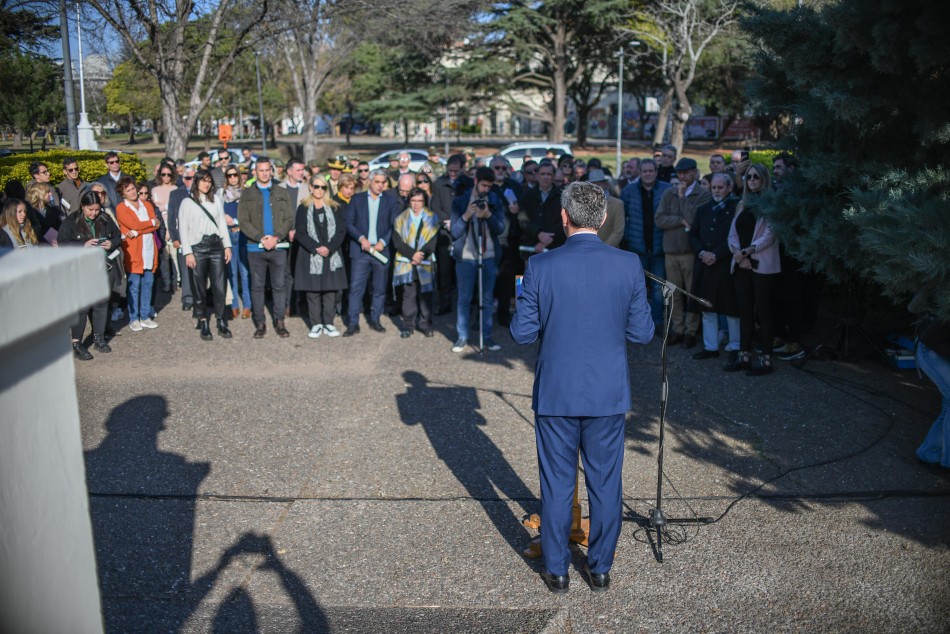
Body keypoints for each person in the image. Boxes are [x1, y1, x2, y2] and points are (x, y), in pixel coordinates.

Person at [510, 180, 654, 594]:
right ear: (603, 218)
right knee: (605, 483)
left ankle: (557, 570)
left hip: (557, 391)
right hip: (607, 391)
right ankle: (600, 568)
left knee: (557, 483)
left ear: (563, 217)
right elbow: (642, 333)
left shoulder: (541, 266)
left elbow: (522, 333)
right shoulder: (628, 264)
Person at [727, 163, 779, 375]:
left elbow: (770, 235)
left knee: (764, 312)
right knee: (745, 311)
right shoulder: (742, 204)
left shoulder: (771, 204)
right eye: (748, 177)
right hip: (742, 264)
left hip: (762, 265)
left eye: (756, 177)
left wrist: (746, 252)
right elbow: (732, 234)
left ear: (764, 179)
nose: (752, 180)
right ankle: (744, 356)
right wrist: (738, 255)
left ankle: (766, 360)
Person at [57, 190, 122, 359]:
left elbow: (118, 236)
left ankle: (99, 337)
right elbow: (62, 243)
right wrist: (82, 244)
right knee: (82, 307)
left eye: (97, 209)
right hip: (82, 269)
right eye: (90, 209)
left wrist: (111, 243)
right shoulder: (71, 221)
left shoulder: (105, 218)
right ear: (83, 207)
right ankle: (77, 343)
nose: (94, 213)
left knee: (102, 303)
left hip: (104, 266)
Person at [655, 158, 711, 348]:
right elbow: (659, 219)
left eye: (686, 173)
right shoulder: (668, 193)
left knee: (691, 293)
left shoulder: (702, 194)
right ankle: (677, 329)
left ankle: (690, 331)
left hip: (690, 252)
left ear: (694, 172)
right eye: (680, 173)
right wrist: (679, 220)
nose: (683, 177)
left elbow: (694, 219)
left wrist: (682, 198)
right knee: (674, 294)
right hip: (670, 251)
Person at [450, 166, 506, 352]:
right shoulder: (460, 201)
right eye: (483, 185)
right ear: (475, 181)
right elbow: (455, 232)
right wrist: (466, 215)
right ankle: (462, 336)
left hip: (489, 255)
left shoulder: (495, 200)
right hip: (466, 256)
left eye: (490, 186)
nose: (486, 190)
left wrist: (488, 215)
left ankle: (486, 335)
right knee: (464, 298)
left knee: (487, 298)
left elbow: (500, 228)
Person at [238, 157, 295, 339]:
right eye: (260, 170)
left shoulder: (281, 192)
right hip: (256, 248)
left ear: (271, 171)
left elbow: (288, 219)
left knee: (279, 286)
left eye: (266, 170)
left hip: (278, 247)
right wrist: (259, 238)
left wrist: (276, 236)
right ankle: (260, 323)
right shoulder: (247, 194)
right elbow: (243, 221)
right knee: (257, 287)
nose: (264, 173)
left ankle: (280, 321)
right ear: (255, 172)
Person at [689, 174, 741, 361]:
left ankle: (735, 346)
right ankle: (710, 346)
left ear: (729, 188)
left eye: (720, 188)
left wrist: (716, 255)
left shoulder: (736, 208)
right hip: (705, 265)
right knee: (707, 308)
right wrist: (702, 253)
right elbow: (693, 234)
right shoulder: (703, 209)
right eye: (714, 188)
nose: (717, 191)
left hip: (726, 265)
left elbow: (737, 236)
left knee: (731, 309)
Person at [343, 168, 400, 335]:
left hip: (381, 251)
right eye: (377, 182)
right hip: (361, 251)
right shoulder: (357, 199)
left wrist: (383, 241)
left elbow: (394, 224)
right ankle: (353, 323)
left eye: (383, 182)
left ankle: (376, 319)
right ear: (369, 181)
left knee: (379, 289)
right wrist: (361, 238)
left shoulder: (390, 200)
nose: (380, 185)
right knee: (356, 288)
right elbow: (348, 223)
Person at [179, 168, 233, 340]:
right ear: (196, 182)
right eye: (203, 180)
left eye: (209, 181)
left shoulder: (215, 199)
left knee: (219, 286)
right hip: (198, 248)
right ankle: (203, 320)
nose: (206, 184)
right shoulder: (187, 202)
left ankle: (221, 320)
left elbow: (221, 223)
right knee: (199, 287)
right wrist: (188, 252)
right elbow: (183, 229)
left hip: (216, 246)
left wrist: (227, 246)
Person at [621, 158, 673, 328]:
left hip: (659, 246)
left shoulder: (666, 190)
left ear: (656, 172)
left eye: (651, 171)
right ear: (640, 172)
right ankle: (639, 322)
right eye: (645, 171)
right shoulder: (629, 191)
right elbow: (623, 217)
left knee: (658, 288)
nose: (648, 174)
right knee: (638, 287)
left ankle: (657, 321)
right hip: (637, 247)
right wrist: (629, 237)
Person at [294, 175, 347, 339]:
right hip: (310, 254)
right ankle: (316, 324)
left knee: (330, 290)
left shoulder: (335, 207)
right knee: (313, 291)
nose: (319, 190)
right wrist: (316, 248)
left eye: (323, 187)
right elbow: (300, 232)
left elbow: (341, 231)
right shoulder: (303, 207)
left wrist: (329, 247)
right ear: (310, 187)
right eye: (316, 186)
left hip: (331, 254)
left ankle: (329, 323)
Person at [115, 176, 161, 332]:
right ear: (123, 194)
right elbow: (134, 224)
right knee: (134, 286)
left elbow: (156, 225)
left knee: (148, 283)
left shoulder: (146, 204)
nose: (132, 192)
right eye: (128, 190)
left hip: (149, 249)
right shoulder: (121, 208)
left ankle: (145, 316)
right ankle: (134, 318)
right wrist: (150, 223)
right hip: (134, 252)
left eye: (133, 188)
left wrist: (137, 231)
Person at [392, 188, 439, 338]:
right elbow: (397, 242)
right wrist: (413, 255)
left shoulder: (432, 218)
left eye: (419, 201)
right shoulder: (400, 219)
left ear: (424, 202)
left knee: (426, 294)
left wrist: (421, 255)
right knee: (408, 295)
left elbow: (433, 241)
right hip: (407, 262)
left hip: (425, 262)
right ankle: (408, 325)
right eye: (413, 200)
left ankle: (426, 324)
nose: (416, 204)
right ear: (409, 201)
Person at [221, 166, 251, 319]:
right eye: (229, 175)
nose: (232, 178)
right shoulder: (221, 194)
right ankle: (233, 305)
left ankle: (247, 305)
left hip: (243, 234)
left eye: (235, 175)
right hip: (228, 235)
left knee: (244, 271)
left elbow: (251, 215)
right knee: (231, 272)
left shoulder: (247, 193)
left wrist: (236, 221)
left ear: (239, 176)